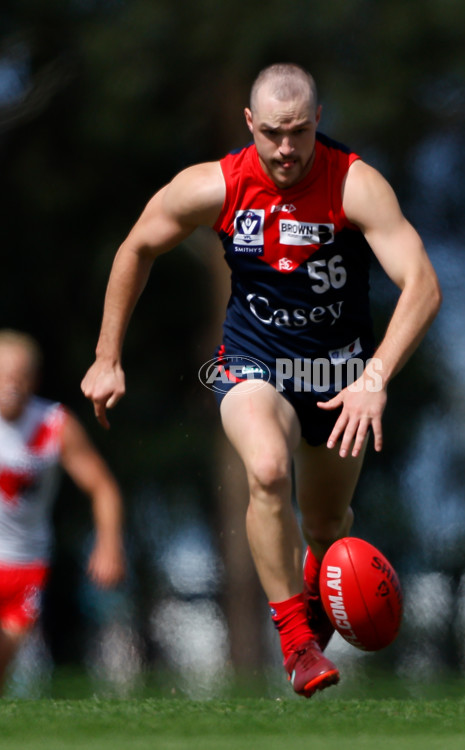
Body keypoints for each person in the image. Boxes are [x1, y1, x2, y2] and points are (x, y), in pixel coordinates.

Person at [81, 63, 441, 697]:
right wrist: (108, 355)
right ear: (250, 124)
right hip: (255, 365)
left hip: (339, 376)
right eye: (273, 132)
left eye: (299, 132)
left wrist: (375, 376)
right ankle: (296, 644)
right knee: (269, 470)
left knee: (328, 531)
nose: (285, 148)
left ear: (317, 122)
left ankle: (309, 598)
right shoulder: (214, 185)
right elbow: (136, 246)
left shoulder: (354, 184)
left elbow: (423, 285)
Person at [0, 329, 126, 696]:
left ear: (34, 379)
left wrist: (109, 545)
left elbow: (103, 488)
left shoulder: (55, 424)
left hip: (28, 564)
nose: (10, 383)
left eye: (19, 374)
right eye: (1, 374)